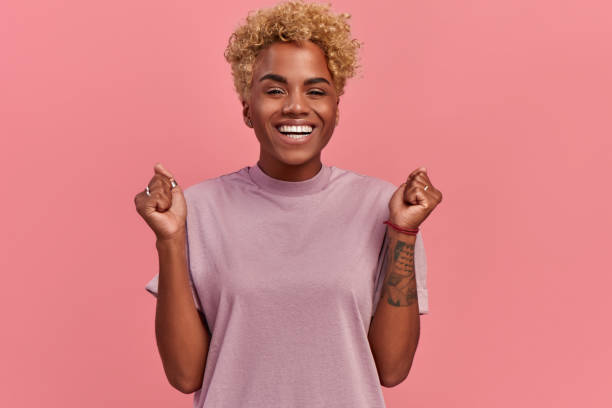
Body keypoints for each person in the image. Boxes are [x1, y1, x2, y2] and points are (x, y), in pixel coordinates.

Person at [134, 1, 442, 407]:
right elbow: (185, 374)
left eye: (316, 90)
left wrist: (404, 231)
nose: (296, 106)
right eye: (275, 89)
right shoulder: (197, 209)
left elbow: (392, 368)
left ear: (335, 109)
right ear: (248, 107)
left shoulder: (386, 207)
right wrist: (170, 239)